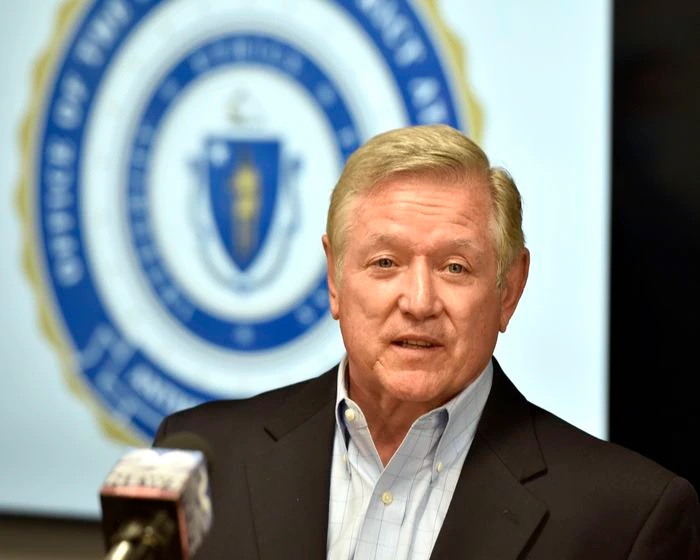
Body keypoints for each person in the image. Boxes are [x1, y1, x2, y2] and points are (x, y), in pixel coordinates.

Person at [154, 124, 700, 559]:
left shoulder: (626, 518)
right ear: (335, 278)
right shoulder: (200, 457)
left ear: (509, 290)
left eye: (455, 267)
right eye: (385, 262)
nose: (418, 300)